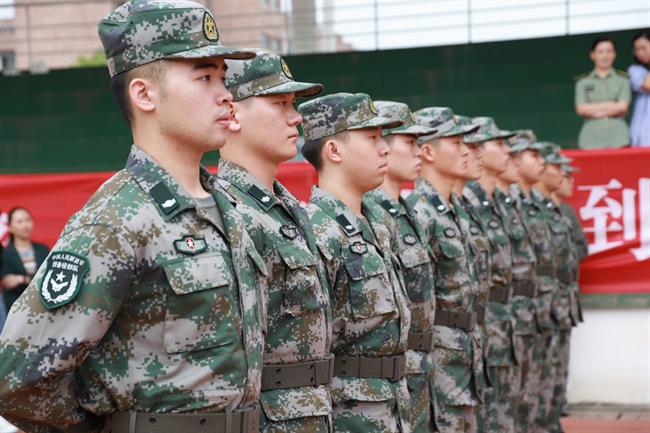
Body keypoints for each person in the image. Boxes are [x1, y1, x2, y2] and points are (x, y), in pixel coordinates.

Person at [0, 2, 267, 432]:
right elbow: (17, 378)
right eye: (204, 77)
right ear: (144, 94)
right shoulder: (116, 221)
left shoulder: (229, 208)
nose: (225, 94)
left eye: (223, 77)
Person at [218, 49, 334, 432]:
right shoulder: (227, 211)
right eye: (279, 103)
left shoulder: (289, 209)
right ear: (233, 114)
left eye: (293, 103)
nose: (296, 116)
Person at [298, 93, 413, 433]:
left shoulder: (374, 226)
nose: (385, 148)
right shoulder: (317, 231)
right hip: (348, 414)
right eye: (372, 138)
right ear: (334, 150)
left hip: (391, 406)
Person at [363, 100, 437, 433]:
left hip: (419, 365)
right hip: (388, 376)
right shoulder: (372, 216)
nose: (419, 151)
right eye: (410, 142)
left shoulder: (406, 212)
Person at [407, 107, 482, 433]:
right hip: (439, 354)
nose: (466, 151)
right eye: (456, 143)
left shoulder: (455, 209)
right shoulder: (420, 213)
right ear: (428, 152)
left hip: (464, 347)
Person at [463, 117, 519, 433]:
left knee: (505, 409)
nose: (507, 151)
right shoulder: (467, 203)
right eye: (498, 143)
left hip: (500, 319)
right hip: (474, 327)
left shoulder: (492, 202)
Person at [508, 135, 557, 433]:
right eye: (533, 155)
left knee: (530, 386)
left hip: (530, 308)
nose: (541, 162)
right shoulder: (507, 204)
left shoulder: (527, 204)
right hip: (506, 314)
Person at [496, 130, 541, 433]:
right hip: (488, 324)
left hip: (515, 314)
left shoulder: (507, 205)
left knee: (518, 397)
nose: (508, 156)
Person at [575, 36, 631, 149]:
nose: (605, 55)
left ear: (614, 54)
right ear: (592, 55)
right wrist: (612, 105)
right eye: (600, 52)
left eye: (609, 51)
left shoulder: (623, 79)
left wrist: (593, 109)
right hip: (590, 138)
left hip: (619, 137)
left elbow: (622, 107)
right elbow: (581, 109)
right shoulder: (583, 82)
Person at [0, 207, 49, 314]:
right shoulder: (5, 253)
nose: (25, 225)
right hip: (16, 307)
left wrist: (21, 279)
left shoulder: (43, 249)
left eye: (28, 220)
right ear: (10, 227)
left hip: (42, 306)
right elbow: (7, 281)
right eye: (19, 221)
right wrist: (29, 279)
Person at [628, 29, 650, 147]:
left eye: (643, 48)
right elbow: (647, 85)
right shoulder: (634, 70)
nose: (640, 53)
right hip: (641, 135)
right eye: (637, 50)